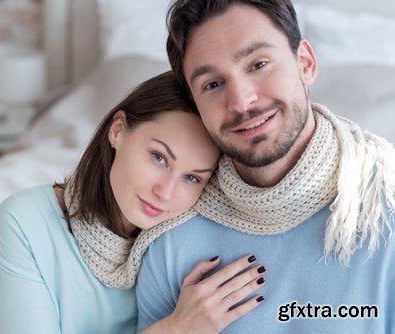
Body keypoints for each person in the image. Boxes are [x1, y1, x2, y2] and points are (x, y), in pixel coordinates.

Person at [136, 1, 395, 333]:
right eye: (213, 85)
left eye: (258, 64)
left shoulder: (384, 204)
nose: (242, 103)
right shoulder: (170, 235)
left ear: (305, 63)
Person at [0, 71, 268, 334]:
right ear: (118, 130)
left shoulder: (185, 239)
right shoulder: (25, 221)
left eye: (192, 178)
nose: (166, 192)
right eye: (159, 158)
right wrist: (178, 327)